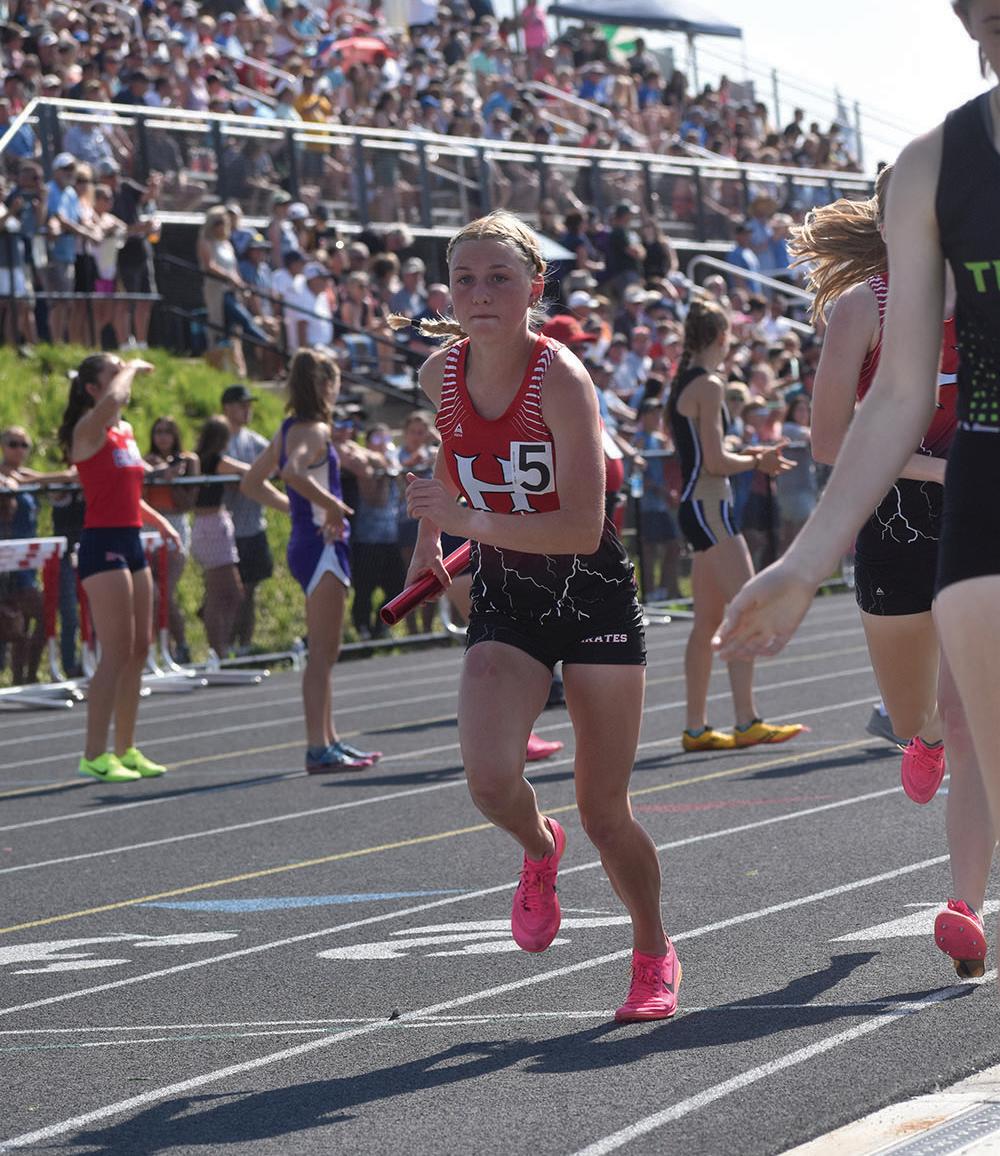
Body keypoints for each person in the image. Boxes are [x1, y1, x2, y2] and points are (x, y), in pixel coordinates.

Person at [717, 0, 1000, 982]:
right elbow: (883, 406)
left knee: (975, 722)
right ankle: (931, 775)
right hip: (947, 500)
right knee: (945, 720)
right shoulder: (931, 175)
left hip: (968, 498)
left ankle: (963, 900)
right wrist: (803, 563)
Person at [397, 210, 679, 1022]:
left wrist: (464, 520)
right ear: (448, 293)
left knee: (605, 810)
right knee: (490, 781)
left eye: (499, 278)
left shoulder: (561, 380)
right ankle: (538, 846)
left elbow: (581, 527)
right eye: (464, 280)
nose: (480, 293)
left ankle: (653, 950)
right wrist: (429, 537)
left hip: (590, 594)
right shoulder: (438, 374)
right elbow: (453, 453)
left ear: (534, 287)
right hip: (506, 596)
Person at [792, 167, 958, 798]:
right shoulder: (865, 305)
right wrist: (937, 469)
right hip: (897, 517)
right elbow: (829, 442)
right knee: (913, 711)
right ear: (885, 226)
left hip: (980, 508)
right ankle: (931, 734)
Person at [666, 299, 805, 752]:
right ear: (721, 337)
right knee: (747, 608)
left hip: (700, 505)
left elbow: (705, 454)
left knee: (707, 621)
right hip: (709, 506)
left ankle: (696, 728)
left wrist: (745, 454)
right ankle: (747, 719)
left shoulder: (687, 381)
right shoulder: (708, 384)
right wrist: (756, 460)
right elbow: (715, 462)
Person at [241, 348, 381, 773]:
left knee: (326, 651)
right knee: (322, 653)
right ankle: (317, 746)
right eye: (335, 383)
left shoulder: (288, 429)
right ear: (325, 385)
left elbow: (252, 482)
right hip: (323, 545)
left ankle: (329, 739)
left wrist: (297, 509)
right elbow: (292, 473)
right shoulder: (315, 429)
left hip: (310, 541)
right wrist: (331, 505)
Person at [57, 355, 181, 782]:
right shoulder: (87, 430)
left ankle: (126, 749)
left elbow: (127, 491)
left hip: (131, 539)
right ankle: (94, 754)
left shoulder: (123, 431)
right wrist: (130, 367)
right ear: (92, 388)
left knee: (140, 648)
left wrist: (158, 521)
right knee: (114, 653)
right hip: (102, 544)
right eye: (111, 373)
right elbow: (115, 398)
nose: (121, 376)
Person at [190, 416, 249, 660]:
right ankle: (218, 650)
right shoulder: (215, 461)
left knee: (230, 594)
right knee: (223, 594)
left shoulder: (200, 460)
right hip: (212, 528)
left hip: (213, 526)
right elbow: (246, 470)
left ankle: (221, 644)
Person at [221, 384, 274, 655]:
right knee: (229, 592)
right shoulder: (220, 438)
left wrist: (251, 475)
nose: (247, 409)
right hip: (228, 530)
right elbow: (218, 464)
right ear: (227, 408)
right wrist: (253, 473)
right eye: (242, 404)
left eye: (249, 404)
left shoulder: (254, 440)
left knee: (250, 590)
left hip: (253, 527)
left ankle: (245, 644)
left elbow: (276, 462)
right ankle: (224, 643)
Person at [144, 416, 199, 664]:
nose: (163, 437)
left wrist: (172, 479)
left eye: (168, 431)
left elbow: (188, 502)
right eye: (158, 431)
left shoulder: (189, 460)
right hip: (150, 526)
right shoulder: (147, 462)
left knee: (165, 592)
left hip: (175, 524)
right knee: (152, 593)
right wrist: (156, 472)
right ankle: (158, 647)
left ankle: (181, 645)